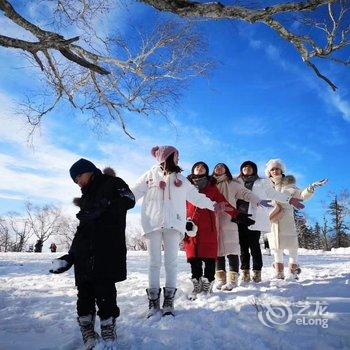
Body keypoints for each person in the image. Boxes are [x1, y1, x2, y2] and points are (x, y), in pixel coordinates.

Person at [50, 159, 135, 350]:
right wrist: (70, 255)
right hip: (84, 252)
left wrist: (105, 206)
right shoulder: (86, 197)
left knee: (105, 290)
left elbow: (130, 200)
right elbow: (82, 229)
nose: (77, 182)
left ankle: (107, 328)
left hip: (107, 247)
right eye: (74, 180)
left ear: (87, 171)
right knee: (84, 292)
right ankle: (87, 330)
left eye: (78, 177)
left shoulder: (113, 183)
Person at [131, 147, 224, 317]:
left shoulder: (181, 180)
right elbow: (133, 192)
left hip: (174, 225)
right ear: (167, 157)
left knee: (171, 263)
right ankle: (153, 303)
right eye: (176, 156)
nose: (179, 159)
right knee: (154, 262)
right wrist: (119, 201)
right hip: (152, 224)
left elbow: (196, 197)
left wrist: (213, 205)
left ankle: (169, 302)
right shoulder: (149, 176)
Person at [236, 161, 304, 283]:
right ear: (241, 169)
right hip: (239, 217)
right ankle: (245, 272)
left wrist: (289, 200)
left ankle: (257, 272)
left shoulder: (262, 182)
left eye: (250, 167)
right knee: (243, 247)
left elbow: (273, 193)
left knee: (254, 246)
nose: (247, 169)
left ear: (255, 170)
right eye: (244, 167)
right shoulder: (236, 181)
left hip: (254, 217)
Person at [185, 162, 243, 299]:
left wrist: (237, 214)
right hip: (191, 225)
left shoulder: (212, 187)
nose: (200, 168)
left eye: (203, 167)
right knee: (194, 257)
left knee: (210, 256)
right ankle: (196, 284)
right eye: (197, 167)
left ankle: (207, 285)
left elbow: (223, 203)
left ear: (206, 171)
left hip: (208, 225)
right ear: (193, 170)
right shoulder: (186, 186)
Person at [265, 159, 327, 280]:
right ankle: (279, 272)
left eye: (277, 168)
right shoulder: (266, 186)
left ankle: (293, 272)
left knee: (292, 246)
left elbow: (301, 196)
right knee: (276, 247)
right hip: (272, 219)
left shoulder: (289, 185)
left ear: (281, 170)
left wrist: (311, 188)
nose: (275, 171)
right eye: (272, 169)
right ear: (269, 172)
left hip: (286, 218)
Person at [212, 163, 261, 290]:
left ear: (226, 170)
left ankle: (232, 279)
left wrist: (258, 200)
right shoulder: (210, 184)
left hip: (230, 218)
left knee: (232, 247)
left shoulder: (232, 184)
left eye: (222, 167)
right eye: (217, 167)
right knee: (217, 249)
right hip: (213, 219)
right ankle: (221, 279)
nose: (219, 168)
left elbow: (245, 193)